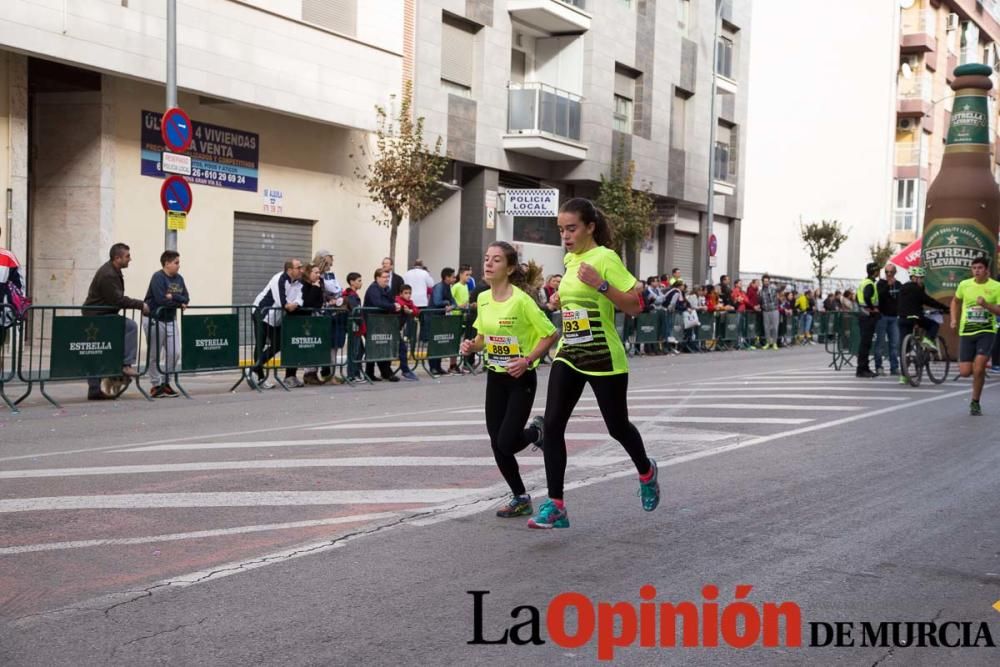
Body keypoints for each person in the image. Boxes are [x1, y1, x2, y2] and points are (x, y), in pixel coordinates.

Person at [528, 198, 660, 530]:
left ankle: (646, 471)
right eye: (561, 230)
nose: (566, 236)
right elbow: (580, 305)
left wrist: (600, 284)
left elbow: (634, 306)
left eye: (571, 228)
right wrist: (562, 300)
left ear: (590, 227)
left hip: (603, 356)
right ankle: (556, 505)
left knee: (617, 427)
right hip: (570, 353)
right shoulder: (571, 260)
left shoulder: (605, 258)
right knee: (554, 424)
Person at [460, 241, 558, 518]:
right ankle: (521, 497)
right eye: (487, 258)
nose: (488, 264)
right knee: (497, 442)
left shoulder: (521, 300)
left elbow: (550, 334)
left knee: (506, 442)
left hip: (521, 378)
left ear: (510, 267)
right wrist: (471, 346)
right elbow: (482, 339)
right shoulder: (482, 298)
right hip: (496, 377)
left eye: (497, 260)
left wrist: (527, 360)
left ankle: (537, 432)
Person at [83, 243, 149, 400]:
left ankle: (95, 388)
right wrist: (141, 305)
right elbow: (117, 299)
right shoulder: (108, 275)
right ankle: (125, 365)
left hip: (102, 314)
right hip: (98, 316)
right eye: (127, 256)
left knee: (100, 351)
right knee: (130, 327)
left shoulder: (113, 271)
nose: (130, 259)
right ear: (117, 258)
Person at [950, 256, 1000, 415]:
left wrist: (986, 305)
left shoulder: (996, 286)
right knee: (965, 372)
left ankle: (975, 402)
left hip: (986, 331)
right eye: (974, 268)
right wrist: (953, 319)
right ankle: (977, 368)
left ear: (986, 270)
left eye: (980, 268)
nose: (976, 271)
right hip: (967, 331)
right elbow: (955, 301)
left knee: (978, 369)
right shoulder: (964, 285)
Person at [250, 258, 303, 389]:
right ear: (290, 269)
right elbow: (281, 301)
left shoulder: (298, 282)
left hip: (277, 317)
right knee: (260, 343)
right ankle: (260, 378)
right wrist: (288, 305)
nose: (301, 269)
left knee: (279, 343)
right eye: (298, 267)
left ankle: (254, 368)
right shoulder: (279, 278)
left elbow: (300, 297)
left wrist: (295, 304)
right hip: (262, 313)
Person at [143, 250, 189, 398]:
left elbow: (186, 298)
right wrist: (178, 302)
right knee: (154, 354)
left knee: (175, 352)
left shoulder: (179, 279)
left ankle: (166, 382)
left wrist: (174, 296)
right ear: (167, 263)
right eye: (176, 262)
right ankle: (156, 385)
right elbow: (161, 299)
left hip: (170, 320)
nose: (179, 266)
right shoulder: (158, 277)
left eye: (178, 262)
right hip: (154, 319)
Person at [897, 266, 948, 384]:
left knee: (904, 348)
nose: (921, 280)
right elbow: (927, 300)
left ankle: (904, 376)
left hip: (902, 318)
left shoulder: (903, 288)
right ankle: (928, 340)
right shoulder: (917, 288)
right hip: (915, 317)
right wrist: (944, 307)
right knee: (934, 325)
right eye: (919, 278)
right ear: (913, 278)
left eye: (922, 278)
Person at [364, 268, 402, 382]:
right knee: (375, 347)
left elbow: (389, 302)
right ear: (377, 278)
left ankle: (380, 373)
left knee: (381, 347)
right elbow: (378, 303)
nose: (387, 279)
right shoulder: (373, 289)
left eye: (388, 277)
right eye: (384, 277)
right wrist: (393, 306)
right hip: (372, 323)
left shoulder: (386, 289)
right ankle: (380, 373)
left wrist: (396, 305)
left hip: (382, 323)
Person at [315, 250, 346, 383]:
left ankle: (329, 373)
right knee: (322, 345)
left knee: (333, 344)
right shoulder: (317, 275)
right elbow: (324, 292)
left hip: (333, 312)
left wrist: (338, 297)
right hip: (321, 313)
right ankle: (317, 373)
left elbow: (337, 289)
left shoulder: (330, 275)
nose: (332, 263)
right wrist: (331, 299)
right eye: (330, 260)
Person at [293, 264, 325, 387]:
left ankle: (313, 374)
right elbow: (308, 302)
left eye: (319, 273)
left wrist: (317, 288)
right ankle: (305, 374)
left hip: (314, 320)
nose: (318, 275)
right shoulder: (304, 285)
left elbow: (318, 303)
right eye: (315, 273)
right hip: (303, 321)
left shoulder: (316, 285)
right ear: (308, 273)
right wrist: (315, 288)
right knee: (304, 346)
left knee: (315, 346)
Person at [428, 267, 458, 377]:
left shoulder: (448, 287)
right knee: (434, 343)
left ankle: (438, 366)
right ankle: (433, 367)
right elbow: (437, 301)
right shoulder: (439, 287)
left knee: (440, 342)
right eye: (453, 277)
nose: (455, 279)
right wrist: (447, 304)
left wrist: (452, 306)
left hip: (440, 318)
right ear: (446, 277)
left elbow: (454, 302)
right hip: (433, 318)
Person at [873, 265, 901, 377]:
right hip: (882, 317)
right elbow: (878, 297)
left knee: (894, 344)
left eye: (891, 272)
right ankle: (879, 367)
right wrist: (887, 286)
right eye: (886, 272)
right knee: (880, 343)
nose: (889, 274)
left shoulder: (899, 284)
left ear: (895, 272)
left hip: (894, 317)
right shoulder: (880, 284)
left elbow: (902, 299)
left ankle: (894, 367)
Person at [855, 262, 881, 378]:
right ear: (875, 271)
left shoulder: (863, 282)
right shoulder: (870, 284)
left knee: (865, 343)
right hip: (868, 316)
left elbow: (857, 298)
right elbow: (866, 297)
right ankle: (862, 369)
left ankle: (863, 368)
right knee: (865, 344)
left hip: (863, 315)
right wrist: (872, 309)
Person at [395, 285, 420, 381]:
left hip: (397, 329)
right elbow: (401, 305)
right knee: (402, 349)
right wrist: (405, 309)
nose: (408, 295)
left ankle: (405, 370)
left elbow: (416, 310)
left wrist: (410, 310)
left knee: (402, 349)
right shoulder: (398, 300)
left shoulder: (409, 303)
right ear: (400, 294)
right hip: (391, 328)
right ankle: (405, 370)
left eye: (409, 293)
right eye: (406, 293)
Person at [343, 272, 365, 381]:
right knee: (354, 351)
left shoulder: (354, 295)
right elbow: (355, 312)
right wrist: (361, 323)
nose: (361, 283)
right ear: (352, 282)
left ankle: (356, 373)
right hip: (354, 327)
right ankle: (352, 375)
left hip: (357, 327)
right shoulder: (351, 295)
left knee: (360, 350)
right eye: (359, 281)